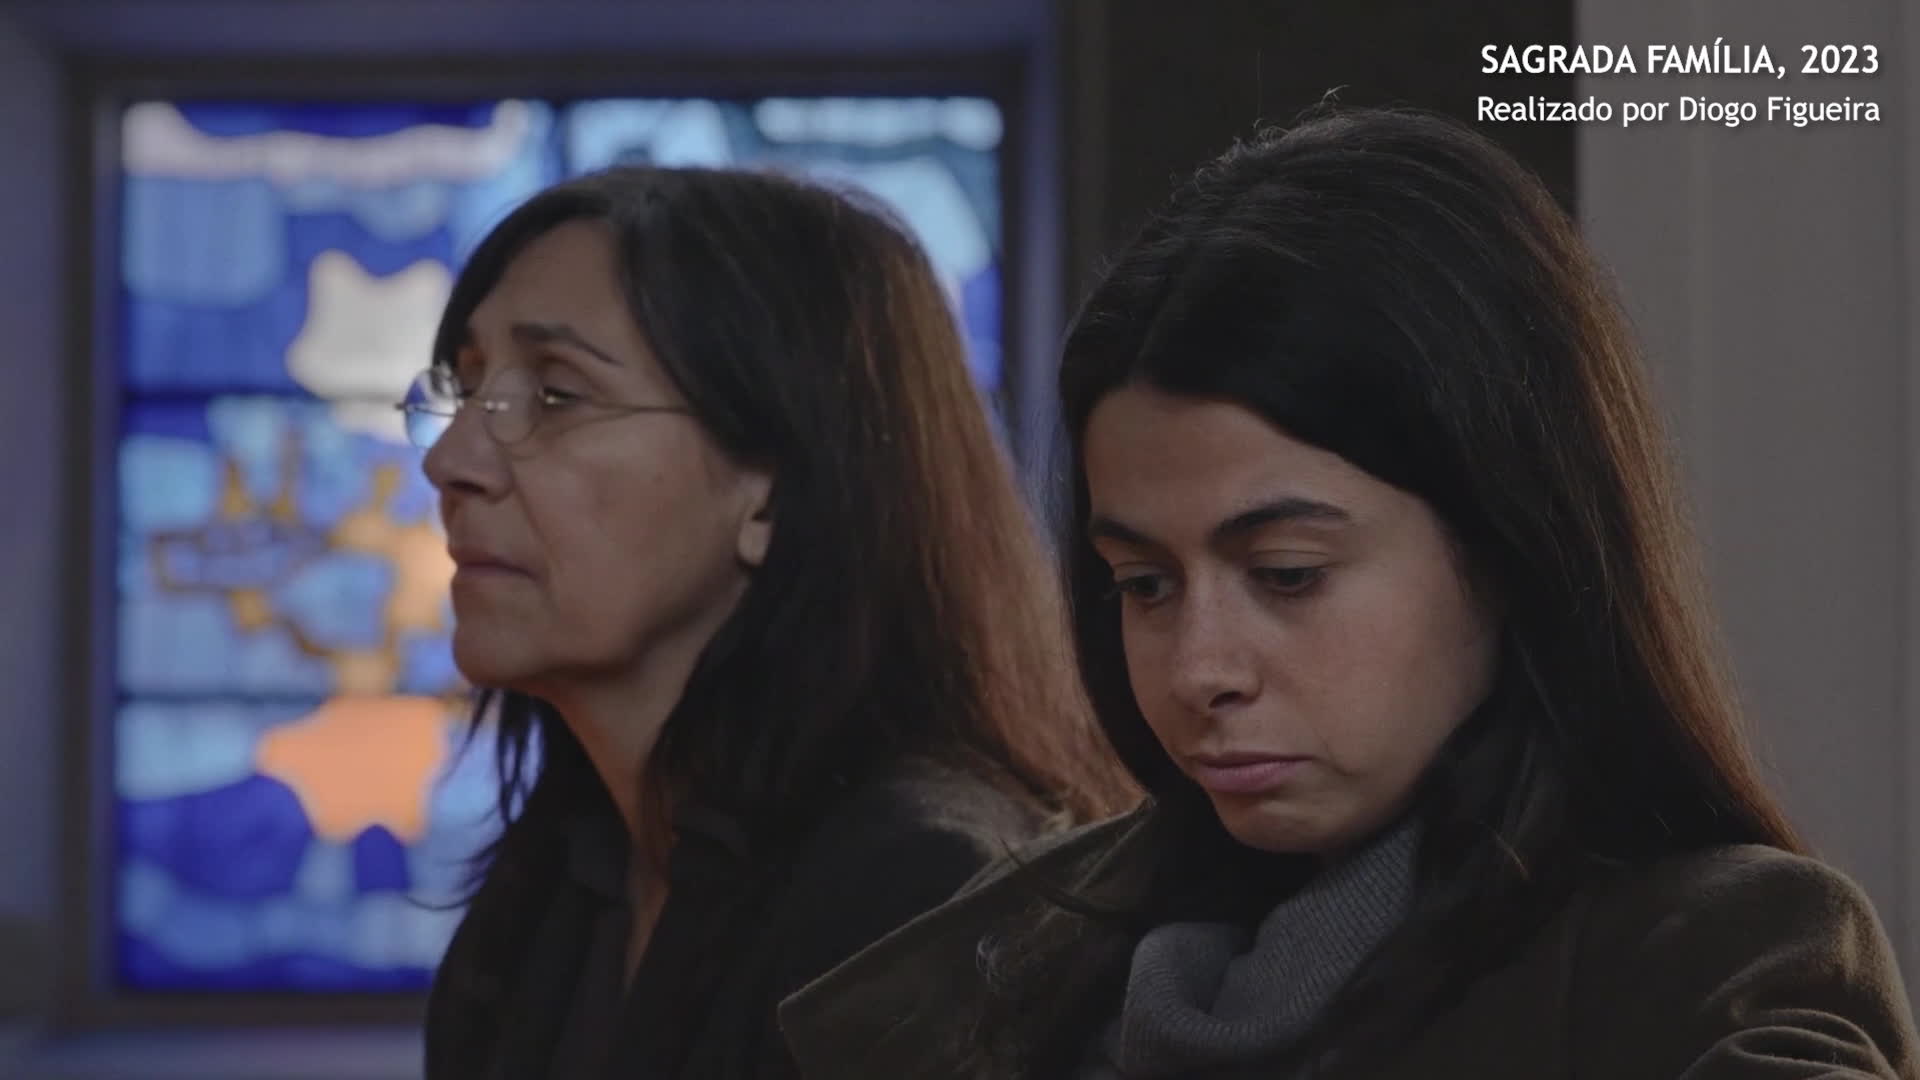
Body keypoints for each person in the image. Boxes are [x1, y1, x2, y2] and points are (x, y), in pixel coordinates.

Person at [778, 108, 1920, 1079]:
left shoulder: (1709, 966)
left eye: (1288, 575)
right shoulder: (1000, 958)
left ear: (1509, 544)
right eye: (1143, 582)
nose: (1199, 669)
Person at [406, 165, 1137, 1080]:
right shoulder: (551, 888)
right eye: (468, 386)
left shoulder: (920, 898)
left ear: (771, 487)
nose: (451, 459)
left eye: (556, 395)